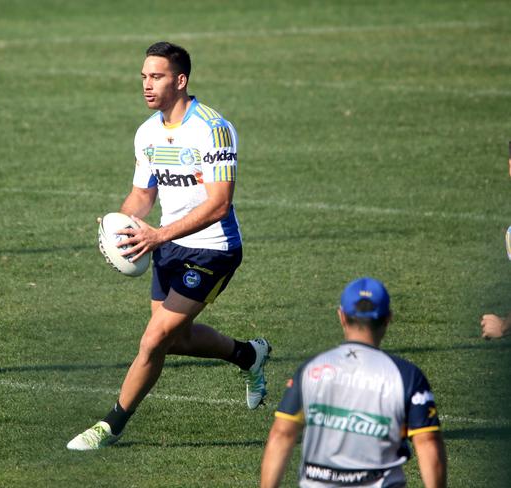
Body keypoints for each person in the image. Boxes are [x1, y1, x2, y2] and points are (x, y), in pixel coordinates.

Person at [67, 41, 271, 451]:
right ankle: (249, 356)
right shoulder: (147, 133)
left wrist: (158, 234)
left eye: (156, 76)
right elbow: (142, 196)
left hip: (214, 249)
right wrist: (120, 223)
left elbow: (219, 203)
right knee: (175, 340)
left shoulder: (213, 128)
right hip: (169, 247)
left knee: (153, 339)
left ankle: (110, 425)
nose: (146, 84)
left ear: (180, 80)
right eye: (143, 76)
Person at [261, 277, 447, 488]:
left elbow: (281, 434)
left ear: (341, 317)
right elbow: (428, 443)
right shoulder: (407, 377)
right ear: (388, 318)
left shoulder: (312, 370)